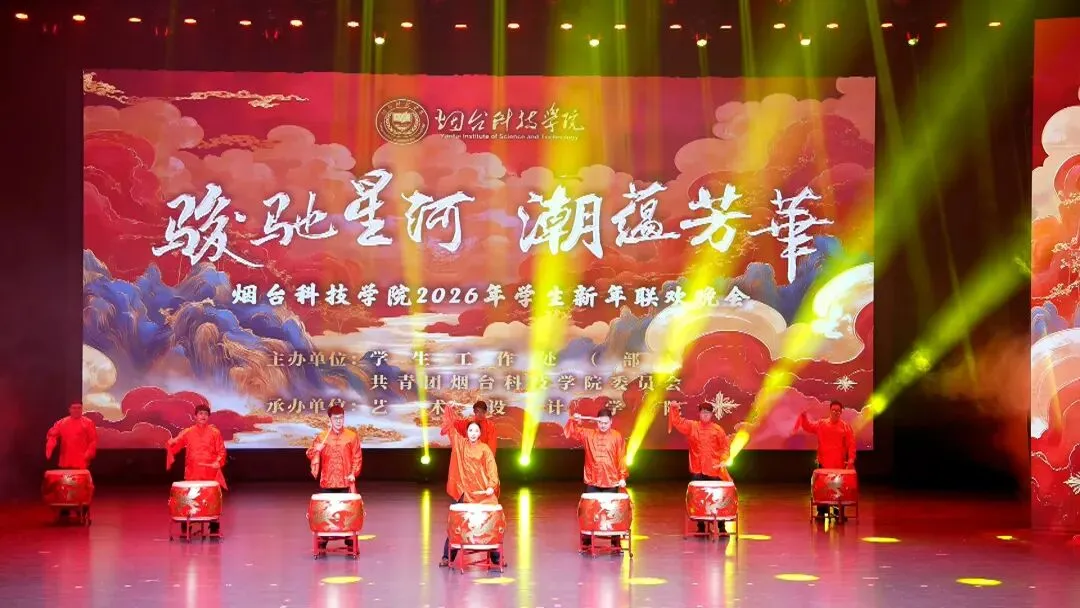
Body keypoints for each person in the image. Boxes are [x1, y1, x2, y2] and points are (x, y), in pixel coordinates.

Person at [439, 402, 501, 568]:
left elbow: (492, 469)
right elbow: (451, 428)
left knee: (490, 521)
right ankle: (447, 556)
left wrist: (491, 486)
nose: (473, 433)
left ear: (480, 433)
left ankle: (496, 557)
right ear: (467, 432)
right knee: (457, 524)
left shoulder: (485, 449)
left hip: (481, 493)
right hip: (464, 492)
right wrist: (448, 409)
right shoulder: (461, 444)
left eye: (476, 431)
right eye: (470, 430)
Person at [564, 408, 628, 550]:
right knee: (589, 512)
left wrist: (622, 476)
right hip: (592, 479)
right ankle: (587, 542)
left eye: (606, 423)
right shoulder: (589, 434)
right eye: (600, 423)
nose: (603, 425)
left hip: (611, 480)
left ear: (611, 422)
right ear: (597, 422)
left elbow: (621, 458)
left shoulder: (617, 437)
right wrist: (574, 420)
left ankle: (615, 543)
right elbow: (573, 432)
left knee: (612, 512)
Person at [306, 404, 363, 551]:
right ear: (330, 419)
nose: (339, 421)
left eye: (341, 418)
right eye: (336, 418)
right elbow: (310, 454)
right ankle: (323, 539)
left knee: (347, 512)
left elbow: (357, 457)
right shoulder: (322, 437)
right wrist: (316, 450)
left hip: (345, 481)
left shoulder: (351, 436)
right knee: (326, 512)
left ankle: (349, 540)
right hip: (327, 481)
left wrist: (353, 473)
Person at [669, 402, 732, 533]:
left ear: (712, 414)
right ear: (699, 414)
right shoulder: (692, 426)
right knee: (698, 499)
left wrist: (723, 460)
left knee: (718, 498)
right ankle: (701, 526)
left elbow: (725, 447)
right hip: (697, 470)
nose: (705, 415)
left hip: (714, 470)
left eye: (707, 413)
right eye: (703, 412)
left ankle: (721, 526)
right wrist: (674, 408)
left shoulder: (718, 430)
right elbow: (677, 422)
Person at [167, 400, 227, 534]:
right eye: (200, 413)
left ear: (208, 416)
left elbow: (221, 451)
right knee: (190, 498)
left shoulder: (215, 432)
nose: (203, 416)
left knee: (210, 499)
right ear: (195, 416)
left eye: (205, 414)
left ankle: (214, 525)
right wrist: (171, 443)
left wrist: (218, 461)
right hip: (193, 471)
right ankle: (186, 525)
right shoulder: (188, 432)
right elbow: (177, 443)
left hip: (210, 472)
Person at [793, 400, 856, 520]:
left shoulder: (845, 427)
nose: (836, 412)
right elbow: (808, 427)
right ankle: (822, 512)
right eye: (834, 410)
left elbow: (851, 444)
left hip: (839, 465)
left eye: (838, 411)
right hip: (824, 464)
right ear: (830, 411)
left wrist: (851, 459)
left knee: (838, 489)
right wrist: (803, 416)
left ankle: (838, 512)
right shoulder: (822, 424)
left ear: (841, 412)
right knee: (822, 488)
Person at [45, 402, 98, 519]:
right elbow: (52, 434)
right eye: (74, 408)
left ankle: (82, 509)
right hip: (66, 460)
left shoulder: (88, 423)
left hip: (81, 461)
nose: (76, 410)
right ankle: (65, 509)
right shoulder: (62, 422)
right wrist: (50, 446)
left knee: (82, 487)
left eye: (79, 408)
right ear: (69, 409)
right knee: (64, 486)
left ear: (82, 409)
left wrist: (88, 454)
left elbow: (93, 440)